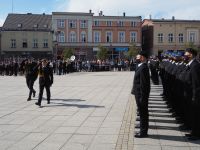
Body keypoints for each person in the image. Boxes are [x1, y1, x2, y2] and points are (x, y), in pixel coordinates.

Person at [131, 50, 150, 138]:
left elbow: (144, 84)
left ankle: (143, 132)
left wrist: (143, 96)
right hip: (138, 93)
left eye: (138, 57)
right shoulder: (140, 66)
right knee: (142, 112)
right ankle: (142, 129)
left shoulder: (143, 68)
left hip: (141, 94)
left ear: (142, 57)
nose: (136, 58)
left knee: (143, 113)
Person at [183, 48, 200, 140]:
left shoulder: (195, 66)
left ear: (191, 55)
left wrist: (195, 97)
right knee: (192, 115)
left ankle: (196, 134)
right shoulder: (191, 65)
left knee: (196, 115)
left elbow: (196, 83)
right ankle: (193, 131)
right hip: (189, 94)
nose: (184, 55)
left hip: (194, 96)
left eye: (186, 54)